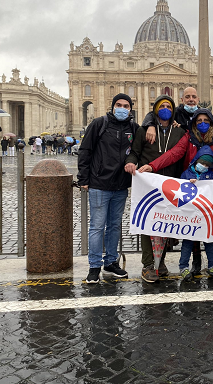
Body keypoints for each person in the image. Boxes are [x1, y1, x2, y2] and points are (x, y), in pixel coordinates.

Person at [139, 107, 213, 275]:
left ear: (211, 122)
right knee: (191, 226)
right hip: (190, 186)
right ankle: (192, 262)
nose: (203, 124)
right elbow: (173, 154)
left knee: (211, 225)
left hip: (211, 188)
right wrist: (153, 166)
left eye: (206, 121)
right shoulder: (188, 138)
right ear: (194, 123)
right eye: (199, 121)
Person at [78, 93, 139, 284]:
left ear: (130, 109)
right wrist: (83, 178)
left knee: (114, 226)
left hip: (120, 185)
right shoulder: (99, 124)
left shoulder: (134, 128)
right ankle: (94, 266)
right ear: (113, 107)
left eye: (126, 106)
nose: (122, 108)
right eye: (119, 105)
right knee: (97, 226)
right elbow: (85, 150)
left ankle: (111, 262)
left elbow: (138, 150)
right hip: (99, 183)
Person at [125, 95, 186, 283]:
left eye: (169, 106)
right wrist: (130, 163)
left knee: (166, 223)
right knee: (148, 224)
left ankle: (161, 261)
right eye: (162, 106)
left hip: (170, 184)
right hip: (148, 184)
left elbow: (182, 157)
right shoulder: (144, 131)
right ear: (156, 110)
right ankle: (148, 264)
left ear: (173, 110)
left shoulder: (179, 131)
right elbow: (134, 153)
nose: (166, 108)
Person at [178, 146, 213, 280]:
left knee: (209, 241)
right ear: (196, 161)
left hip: (204, 214)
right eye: (202, 163)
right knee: (187, 242)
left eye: (207, 165)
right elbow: (180, 188)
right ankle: (183, 266)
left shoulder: (210, 174)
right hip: (190, 215)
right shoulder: (186, 174)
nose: (204, 166)